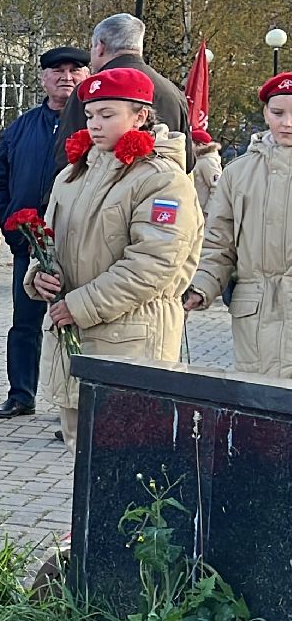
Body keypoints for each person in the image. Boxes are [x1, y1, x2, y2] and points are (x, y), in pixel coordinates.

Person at [28, 67, 202, 452]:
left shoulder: (162, 179)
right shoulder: (73, 175)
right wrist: (40, 275)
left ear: (140, 116)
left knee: (127, 461)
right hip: (73, 335)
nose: (95, 125)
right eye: (90, 115)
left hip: (130, 339)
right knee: (83, 457)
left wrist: (79, 305)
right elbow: (49, 239)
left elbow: (152, 264)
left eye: (108, 114)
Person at [0, 46, 90, 419]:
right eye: (57, 70)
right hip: (28, 242)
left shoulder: (92, 124)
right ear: (43, 78)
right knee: (25, 323)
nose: (66, 77)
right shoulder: (23, 126)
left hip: (79, 242)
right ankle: (21, 394)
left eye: (75, 70)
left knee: (78, 319)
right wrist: (9, 220)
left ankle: (78, 404)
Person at [185, 73, 292, 374]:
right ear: (265, 113)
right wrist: (201, 286)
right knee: (259, 407)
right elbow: (219, 242)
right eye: (278, 113)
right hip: (254, 315)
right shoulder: (237, 173)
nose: (287, 123)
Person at [55, 14, 195, 176]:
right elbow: (188, 161)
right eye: (90, 116)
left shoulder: (92, 90)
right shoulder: (173, 92)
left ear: (100, 47)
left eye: (106, 115)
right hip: (164, 185)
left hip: (100, 191)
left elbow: (66, 157)